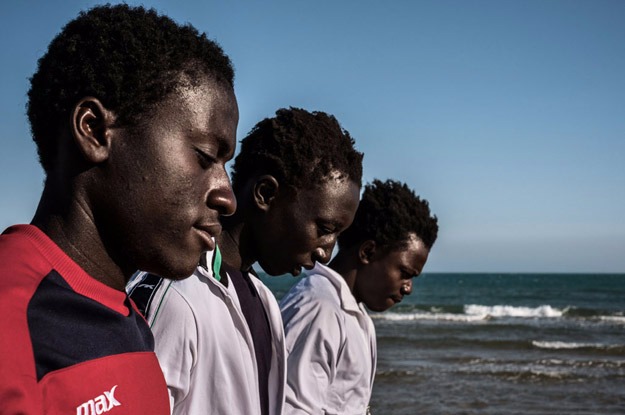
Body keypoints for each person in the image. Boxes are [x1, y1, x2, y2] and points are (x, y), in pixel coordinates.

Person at [0, 4, 238, 414]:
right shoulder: (14, 323)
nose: (226, 196)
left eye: (226, 166)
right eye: (204, 156)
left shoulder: (128, 315)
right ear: (94, 131)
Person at [128, 107, 363, 415]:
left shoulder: (262, 300)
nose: (325, 253)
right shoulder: (177, 292)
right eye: (324, 229)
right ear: (265, 194)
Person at [280, 179, 439, 414]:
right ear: (368, 252)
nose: (408, 288)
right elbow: (290, 408)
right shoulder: (321, 308)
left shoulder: (353, 312)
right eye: (404, 273)